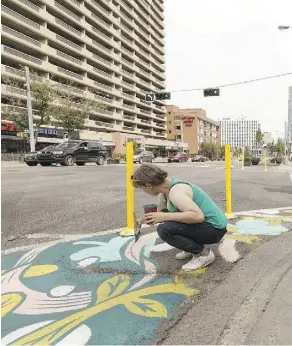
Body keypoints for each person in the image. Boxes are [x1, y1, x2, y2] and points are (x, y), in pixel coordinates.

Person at [132, 164, 227, 271]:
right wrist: (143, 219)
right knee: (169, 222)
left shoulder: (176, 192)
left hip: (215, 229)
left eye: (141, 188)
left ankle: (203, 254)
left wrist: (164, 216)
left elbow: (197, 216)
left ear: (148, 185)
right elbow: (164, 211)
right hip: (210, 225)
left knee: (164, 229)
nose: (143, 191)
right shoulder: (167, 188)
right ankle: (191, 248)